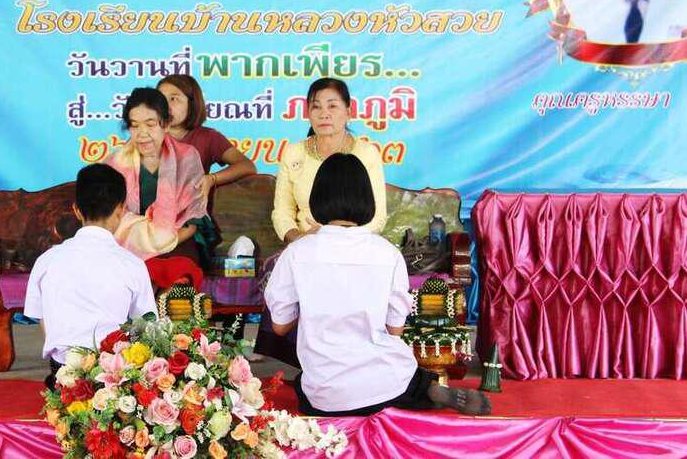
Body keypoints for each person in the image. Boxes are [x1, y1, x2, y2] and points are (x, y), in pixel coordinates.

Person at [265, 153, 491, 417]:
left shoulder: (296, 253)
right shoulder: (387, 252)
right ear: (367, 200)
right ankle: (425, 390)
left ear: (317, 199)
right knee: (403, 376)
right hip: (386, 381)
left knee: (305, 386)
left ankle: (352, 394)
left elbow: (280, 326)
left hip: (327, 392)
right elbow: (395, 329)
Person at [255, 77, 387, 365]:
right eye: (316, 107)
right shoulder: (294, 153)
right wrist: (297, 238)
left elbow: (377, 217)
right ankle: (289, 353)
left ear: (348, 111)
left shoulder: (366, 153)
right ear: (308, 112)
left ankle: (352, 349)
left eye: (332, 106)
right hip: (306, 243)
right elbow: (282, 211)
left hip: (354, 242)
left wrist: (337, 236)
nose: (324, 114)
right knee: (281, 265)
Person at [24, 164, 157, 389]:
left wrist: (68, 362)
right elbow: (147, 325)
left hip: (62, 375)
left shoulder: (47, 260)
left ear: (76, 210)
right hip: (114, 381)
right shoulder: (132, 265)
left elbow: (42, 317)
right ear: (121, 210)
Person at [106, 87, 215, 289]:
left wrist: (160, 244)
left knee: (179, 272)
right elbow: (109, 219)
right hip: (129, 243)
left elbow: (192, 221)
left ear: (166, 124)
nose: (142, 134)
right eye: (134, 126)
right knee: (118, 274)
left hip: (177, 241)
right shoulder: (115, 162)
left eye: (150, 124)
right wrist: (142, 245)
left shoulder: (186, 157)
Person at [157, 75, 257, 204]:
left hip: (192, 212)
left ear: (192, 103)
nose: (165, 106)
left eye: (173, 99)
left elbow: (247, 166)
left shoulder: (208, 137)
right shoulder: (146, 135)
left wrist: (211, 179)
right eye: (160, 99)